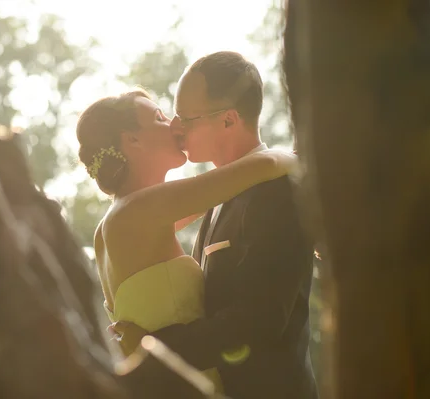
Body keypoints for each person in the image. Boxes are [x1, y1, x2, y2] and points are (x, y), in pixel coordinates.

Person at [112, 51, 318, 399]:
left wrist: (153, 347)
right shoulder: (212, 201)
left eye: (187, 118)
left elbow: (260, 319)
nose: (176, 127)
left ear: (228, 120)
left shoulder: (278, 192)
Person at [76, 87, 296, 393]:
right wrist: (297, 157)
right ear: (132, 139)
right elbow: (267, 165)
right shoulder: (141, 209)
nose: (175, 124)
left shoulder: (117, 221)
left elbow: (220, 197)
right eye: (160, 117)